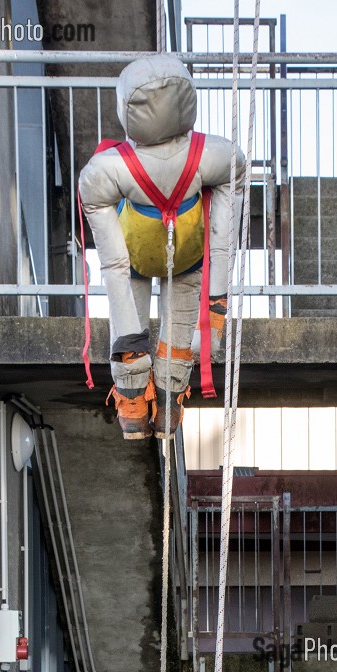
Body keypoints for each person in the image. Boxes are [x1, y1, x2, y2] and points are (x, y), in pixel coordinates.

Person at [79, 54, 242, 439]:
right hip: (187, 256)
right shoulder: (215, 154)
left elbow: (113, 266)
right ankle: (168, 405)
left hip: (133, 258)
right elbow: (221, 238)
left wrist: (215, 307)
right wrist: (216, 306)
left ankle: (134, 406)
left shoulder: (106, 169)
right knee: (179, 336)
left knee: (129, 333)